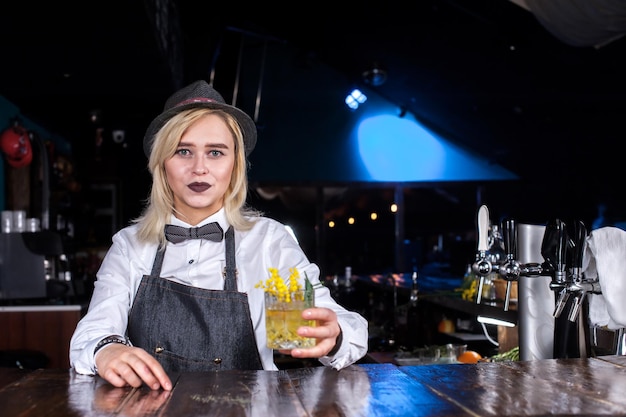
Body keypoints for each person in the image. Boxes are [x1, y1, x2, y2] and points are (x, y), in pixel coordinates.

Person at [69, 80, 369, 390]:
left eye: (215, 152)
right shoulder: (129, 245)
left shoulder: (269, 241)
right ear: (162, 164)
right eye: (183, 151)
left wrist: (333, 337)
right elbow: (92, 333)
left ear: (234, 165)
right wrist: (108, 349)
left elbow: (349, 329)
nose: (199, 168)